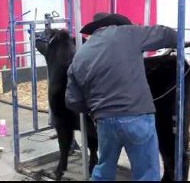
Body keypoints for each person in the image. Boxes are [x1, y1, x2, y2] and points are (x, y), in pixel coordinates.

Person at [65, 12, 180, 181]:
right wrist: (180, 41)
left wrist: (96, 108)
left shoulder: (80, 55)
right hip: (136, 115)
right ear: (116, 24)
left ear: (95, 29)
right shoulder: (127, 33)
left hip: (104, 120)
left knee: (104, 169)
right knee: (146, 173)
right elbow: (166, 34)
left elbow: (72, 100)